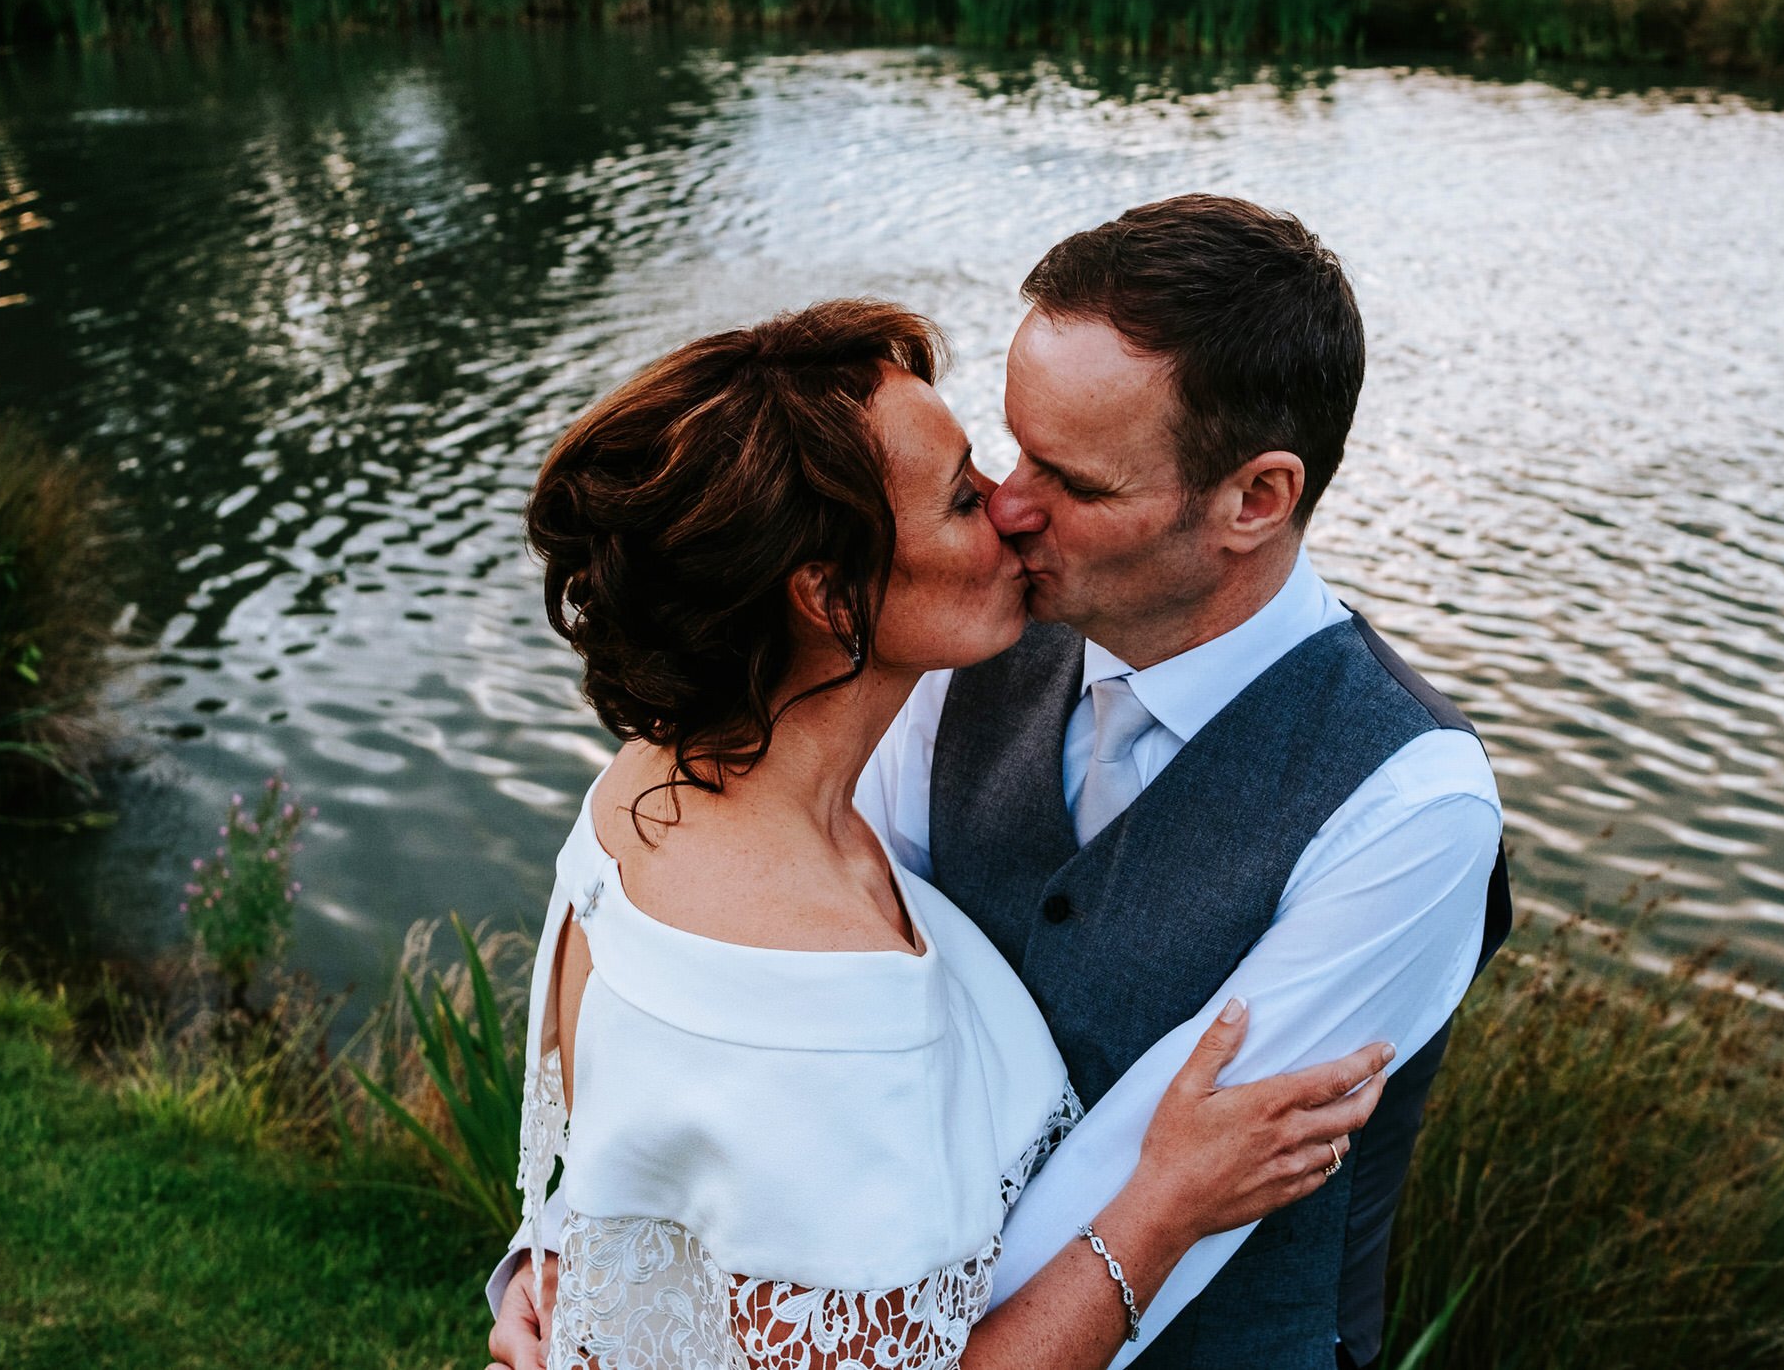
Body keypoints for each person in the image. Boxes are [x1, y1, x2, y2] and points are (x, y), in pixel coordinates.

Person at [496, 196, 1512, 1370]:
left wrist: (658, 1325)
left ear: (1255, 499)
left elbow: (1139, 1176)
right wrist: (587, 1266)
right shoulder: (949, 644)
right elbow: (752, 997)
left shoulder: (1406, 807)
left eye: (1070, 479)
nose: (1013, 504)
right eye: (1003, 453)